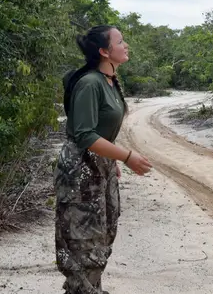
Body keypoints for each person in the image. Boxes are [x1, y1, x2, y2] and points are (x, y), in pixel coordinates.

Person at [55, 25, 152, 294]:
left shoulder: (109, 81)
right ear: (104, 51)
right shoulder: (90, 83)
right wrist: (127, 156)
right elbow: (85, 134)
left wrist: (112, 160)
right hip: (80, 169)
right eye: (120, 41)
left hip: (100, 165)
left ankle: (92, 288)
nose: (126, 45)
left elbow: (101, 130)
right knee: (83, 239)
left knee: (104, 232)